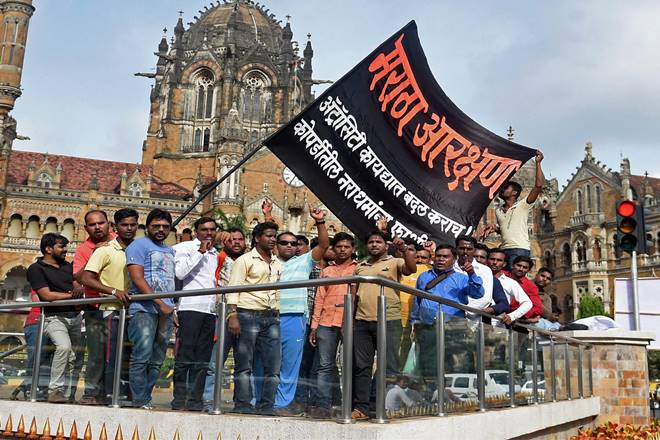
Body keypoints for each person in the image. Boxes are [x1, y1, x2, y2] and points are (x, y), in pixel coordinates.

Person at [351, 230, 416, 421]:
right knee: (361, 366)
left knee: (389, 366)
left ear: (386, 245)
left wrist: (404, 249)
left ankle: (378, 404)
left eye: (378, 242)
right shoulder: (360, 266)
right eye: (371, 242)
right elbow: (354, 296)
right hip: (362, 321)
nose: (374, 245)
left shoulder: (395, 262)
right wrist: (350, 321)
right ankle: (361, 408)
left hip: (389, 320)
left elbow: (411, 268)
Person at [271, 205, 329, 415]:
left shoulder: (303, 262)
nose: (289, 246)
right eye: (284, 242)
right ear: (275, 245)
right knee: (267, 362)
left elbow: (324, 245)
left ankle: (282, 403)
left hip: (294, 317)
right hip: (269, 315)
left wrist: (319, 221)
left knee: (290, 363)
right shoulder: (269, 262)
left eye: (293, 243)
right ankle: (261, 400)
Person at [79, 208, 137, 403]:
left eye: (132, 225)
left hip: (132, 311)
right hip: (108, 309)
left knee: (127, 354)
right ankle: (102, 394)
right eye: (124, 225)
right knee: (105, 355)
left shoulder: (138, 248)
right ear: (115, 227)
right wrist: (113, 291)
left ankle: (124, 394)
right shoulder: (102, 250)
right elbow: (84, 277)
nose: (129, 228)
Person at [226, 221, 282, 415]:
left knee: (273, 366)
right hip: (247, 314)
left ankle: (266, 405)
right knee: (244, 364)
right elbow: (233, 288)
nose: (272, 239)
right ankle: (242, 403)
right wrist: (233, 315)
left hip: (271, 316)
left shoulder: (277, 262)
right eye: (268, 235)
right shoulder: (245, 260)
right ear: (257, 238)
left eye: (274, 236)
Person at [125, 208, 177, 409]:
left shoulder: (170, 250)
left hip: (166, 310)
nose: (161, 230)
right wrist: (160, 303)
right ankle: (139, 399)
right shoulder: (138, 246)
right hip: (144, 309)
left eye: (165, 226)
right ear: (147, 227)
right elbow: (137, 278)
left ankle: (145, 397)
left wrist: (171, 307)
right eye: (156, 226)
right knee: (142, 356)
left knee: (157, 359)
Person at [411, 244, 484, 382]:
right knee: (428, 365)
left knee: (455, 365)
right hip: (428, 327)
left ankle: (454, 394)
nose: (441, 259)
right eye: (438, 256)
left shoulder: (461, 278)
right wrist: (414, 322)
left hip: (453, 328)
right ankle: (431, 392)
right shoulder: (423, 277)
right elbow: (417, 301)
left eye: (445, 257)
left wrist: (472, 274)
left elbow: (478, 293)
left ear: (454, 259)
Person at [26, 233, 83, 403]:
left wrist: (78, 291)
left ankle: (68, 394)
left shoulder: (67, 266)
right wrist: (72, 296)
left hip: (75, 317)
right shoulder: (36, 269)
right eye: (61, 246)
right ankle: (55, 390)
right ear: (48, 249)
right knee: (64, 347)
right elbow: (46, 295)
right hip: (54, 317)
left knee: (74, 357)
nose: (65, 250)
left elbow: (77, 285)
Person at [171, 217, 219, 411]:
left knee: (202, 359)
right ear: (196, 231)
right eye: (204, 229)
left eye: (212, 229)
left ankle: (195, 400)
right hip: (190, 307)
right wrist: (200, 251)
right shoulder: (184, 248)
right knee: (185, 356)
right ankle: (179, 399)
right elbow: (180, 273)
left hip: (209, 310)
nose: (208, 233)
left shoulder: (215, 253)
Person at [308, 232, 357, 419]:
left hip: (349, 324)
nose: (343, 250)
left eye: (346, 247)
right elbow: (319, 299)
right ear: (334, 249)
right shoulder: (327, 271)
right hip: (326, 322)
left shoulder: (358, 269)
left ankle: (350, 405)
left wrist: (351, 321)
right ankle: (323, 405)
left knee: (351, 364)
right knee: (324, 366)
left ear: (353, 249)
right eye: (339, 247)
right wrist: (314, 326)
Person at [202, 227, 247, 410]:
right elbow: (207, 246)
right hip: (221, 314)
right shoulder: (218, 258)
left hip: (245, 314)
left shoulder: (249, 260)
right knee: (215, 362)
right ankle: (209, 400)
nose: (236, 242)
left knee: (244, 362)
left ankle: (243, 402)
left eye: (239, 239)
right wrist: (218, 237)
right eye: (231, 239)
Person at [73, 210, 115, 405]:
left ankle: (113, 393)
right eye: (92, 224)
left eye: (101, 223)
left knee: (118, 352)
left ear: (109, 224)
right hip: (95, 306)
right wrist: (95, 253)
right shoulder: (83, 249)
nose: (97, 227)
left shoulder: (119, 241)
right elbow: (79, 277)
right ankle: (91, 393)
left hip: (118, 305)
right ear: (86, 228)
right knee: (96, 353)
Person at [294, 236, 335, 414]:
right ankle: (301, 400)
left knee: (320, 364)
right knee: (304, 362)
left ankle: (316, 401)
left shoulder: (334, 270)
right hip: (306, 320)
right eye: (330, 247)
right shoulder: (309, 268)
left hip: (325, 322)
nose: (333, 251)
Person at [485, 151, 545, 269]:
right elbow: (508, 230)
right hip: (504, 250)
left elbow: (538, 186)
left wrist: (538, 163)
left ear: (514, 193)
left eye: (506, 188)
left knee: (514, 276)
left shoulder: (523, 205)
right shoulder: (498, 210)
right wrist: (495, 228)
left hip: (520, 249)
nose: (502, 189)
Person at [399, 245, 432, 366]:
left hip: (420, 317)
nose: (420, 260)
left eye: (424, 257)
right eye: (417, 257)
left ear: (430, 259)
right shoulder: (404, 268)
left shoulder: (430, 272)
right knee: (400, 348)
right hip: (400, 316)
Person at [486, 248, 533, 325]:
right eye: (492, 259)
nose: (495, 262)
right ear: (487, 260)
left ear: (504, 264)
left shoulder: (510, 283)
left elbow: (527, 303)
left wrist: (512, 316)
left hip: (497, 324)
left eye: (499, 260)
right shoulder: (479, 277)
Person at [508, 256, 544, 324]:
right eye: (518, 265)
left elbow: (538, 308)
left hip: (514, 321)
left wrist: (519, 315)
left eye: (525, 267)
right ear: (513, 265)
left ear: (528, 270)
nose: (521, 269)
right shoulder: (502, 275)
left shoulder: (530, 286)